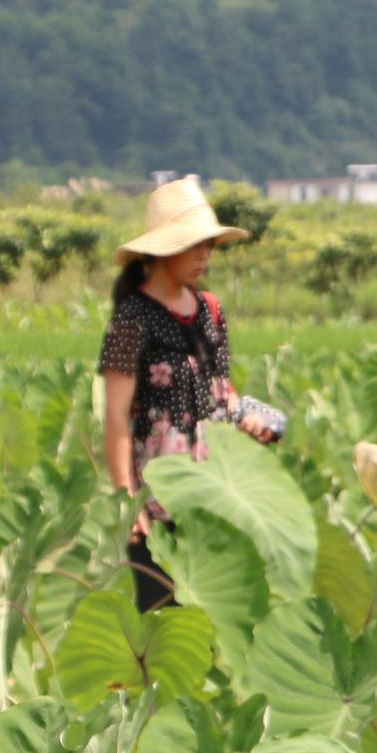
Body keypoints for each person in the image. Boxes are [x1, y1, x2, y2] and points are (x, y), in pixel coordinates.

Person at [98, 177, 277, 611]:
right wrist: (128, 504)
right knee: (166, 627)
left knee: (220, 628)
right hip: (160, 502)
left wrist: (248, 415)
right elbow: (116, 416)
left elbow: (221, 389)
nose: (205, 256)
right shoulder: (131, 320)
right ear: (163, 250)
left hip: (216, 492)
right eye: (195, 245)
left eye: (210, 246)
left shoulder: (211, 310)